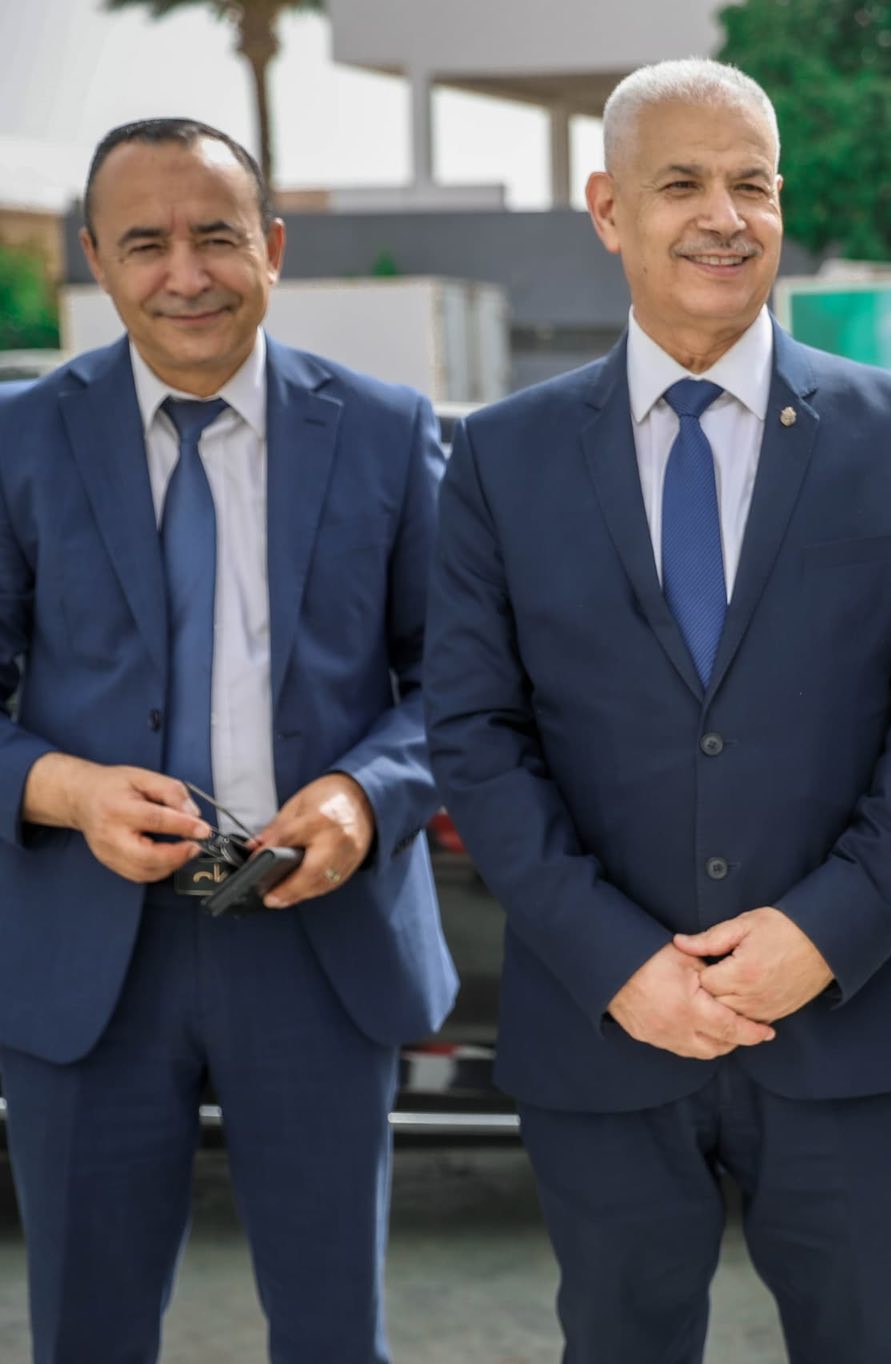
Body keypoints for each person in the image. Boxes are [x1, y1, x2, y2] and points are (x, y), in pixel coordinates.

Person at [424, 59, 891, 1364]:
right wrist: (620, 962)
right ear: (608, 207)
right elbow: (475, 734)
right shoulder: (504, 455)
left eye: (754, 184)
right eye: (682, 183)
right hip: (604, 1031)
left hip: (856, 1021)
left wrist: (821, 932)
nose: (725, 217)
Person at [0, 118, 455, 1364]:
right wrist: (67, 787)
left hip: (317, 937)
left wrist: (365, 794)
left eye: (216, 235)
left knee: (331, 1334)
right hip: (86, 952)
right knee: (88, 1336)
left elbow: (460, 682)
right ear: (96, 258)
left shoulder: (385, 429)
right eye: (146, 243)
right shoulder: (16, 441)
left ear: (273, 247)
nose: (185, 273)